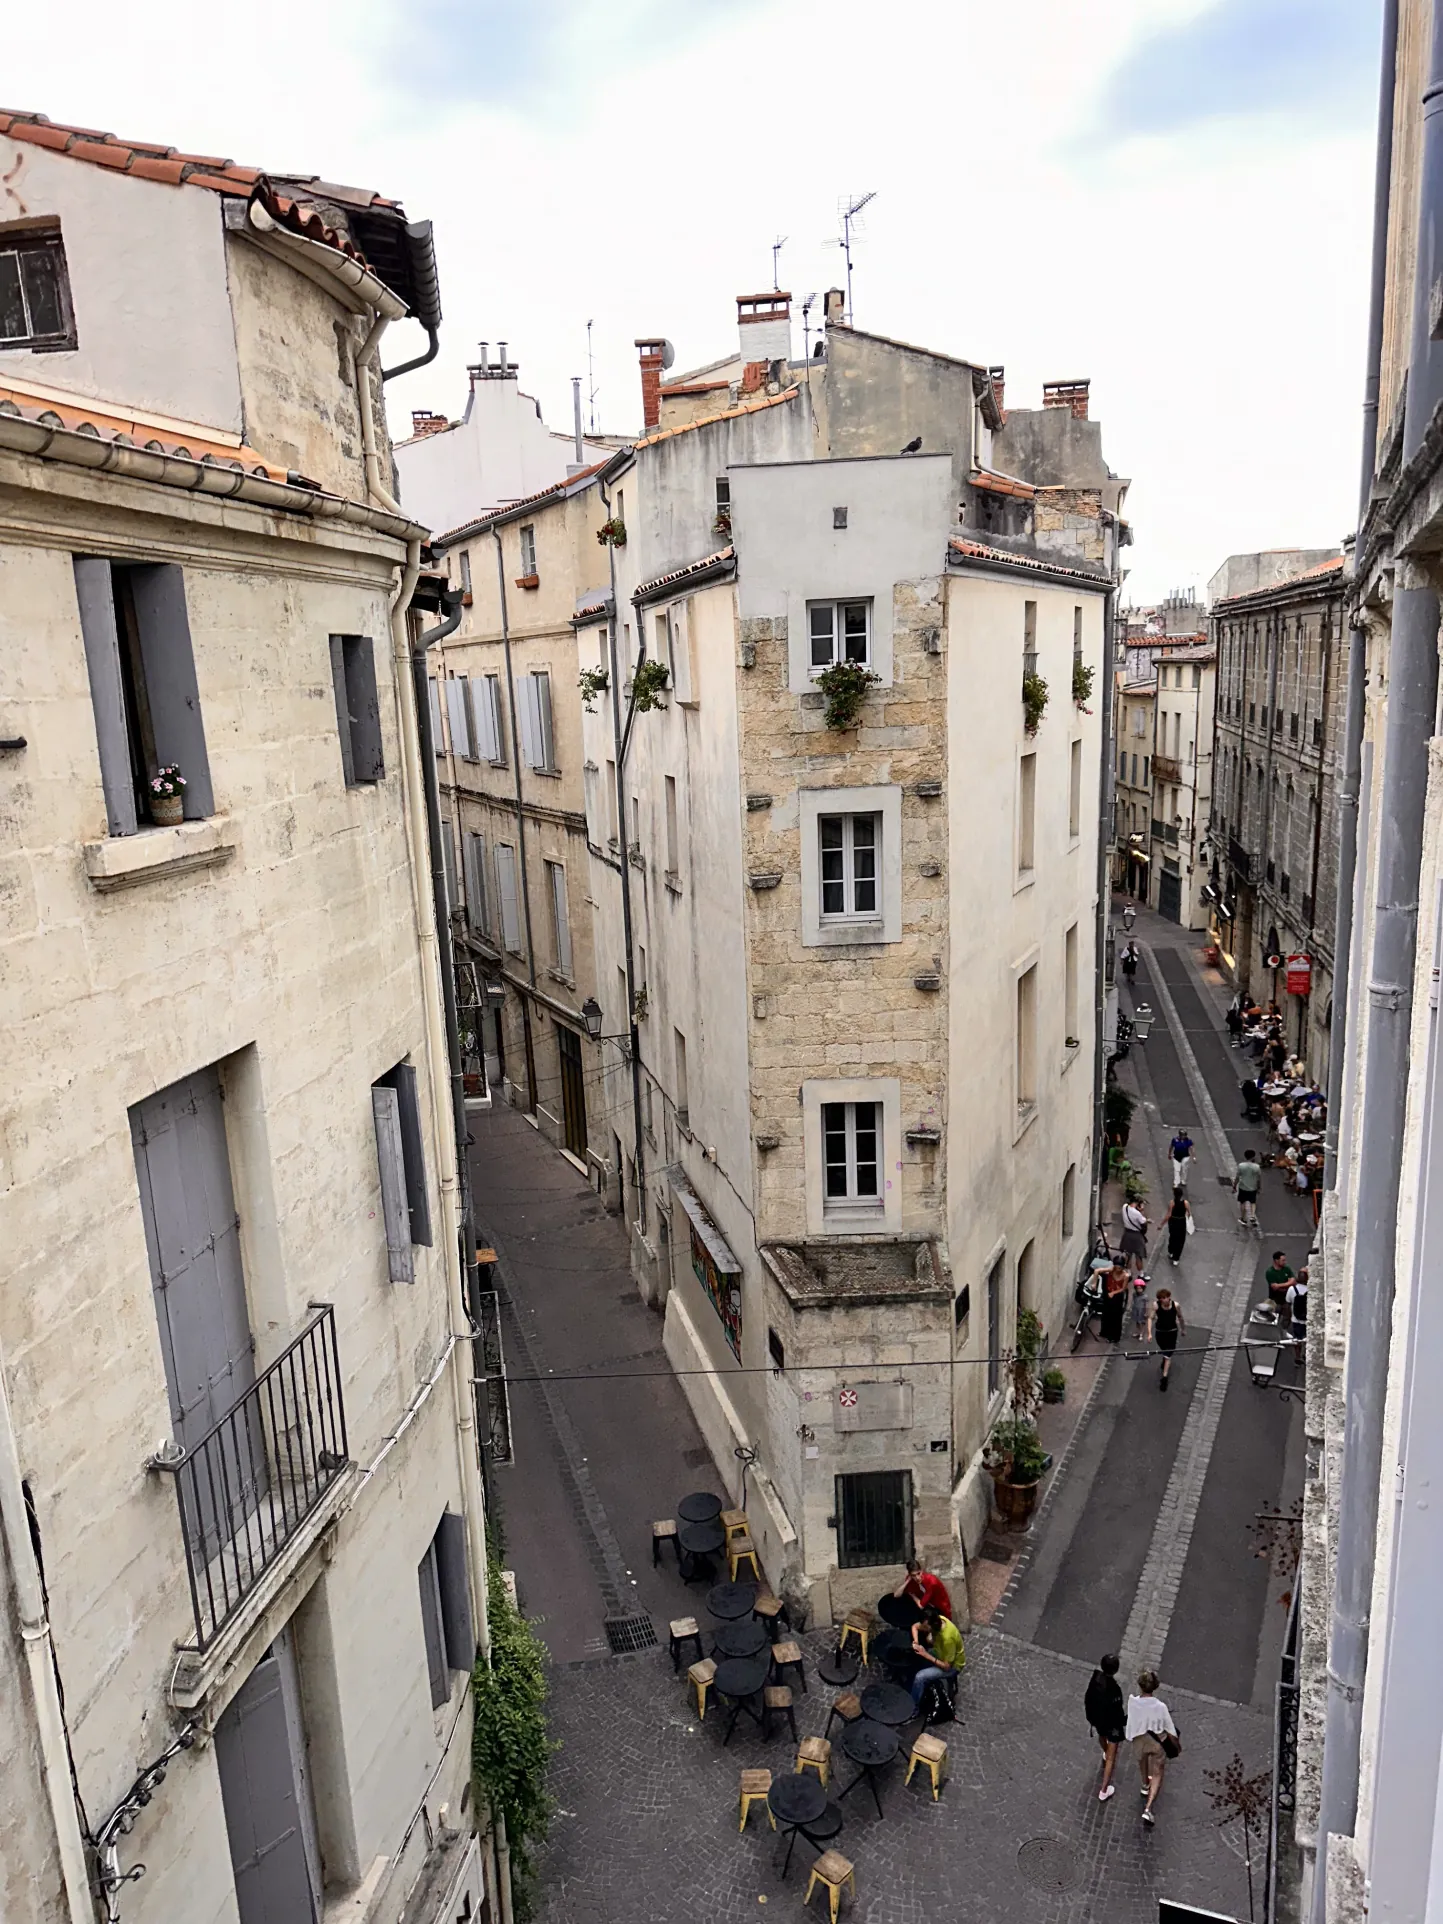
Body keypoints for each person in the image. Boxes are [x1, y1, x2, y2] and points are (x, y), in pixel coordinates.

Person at [1126, 1670, 1180, 1825]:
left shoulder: (1132, 1702)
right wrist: (1176, 1745)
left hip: (1139, 1740)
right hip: (1156, 1742)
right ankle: (1148, 1809)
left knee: (1142, 1762)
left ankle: (1144, 1784)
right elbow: (1171, 1730)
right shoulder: (1160, 1707)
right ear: (1155, 1686)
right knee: (1157, 1773)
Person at [1085, 1653, 1127, 1801]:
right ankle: (1104, 1790)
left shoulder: (1095, 1679)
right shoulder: (1114, 1689)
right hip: (1112, 1724)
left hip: (1098, 1720)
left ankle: (1105, 1752)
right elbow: (1117, 1710)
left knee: (1101, 1737)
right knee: (1111, 1757)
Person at [908, 1605, 965, 1713]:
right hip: (939, 1652)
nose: (923, 1629)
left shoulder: (947, 1639)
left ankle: (913, 1710)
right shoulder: (938, 1620)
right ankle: (921, 1689)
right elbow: (915, 1627)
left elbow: (947, 1667)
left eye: (925, 1627)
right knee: (919, 1661)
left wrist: (925, 1654)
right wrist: (916, 1642)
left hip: (953, 1666)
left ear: (932, 1625)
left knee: (920, 1676)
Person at [889, 1559, 954, 1624]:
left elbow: (921, 1606)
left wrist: (913, 1595)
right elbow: (896, 1595)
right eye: (913, 1575)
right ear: (910, 1575)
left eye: (918, 1573)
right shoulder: (911, 1580)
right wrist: (907, 1581)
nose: (917, 1577)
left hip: (940, 1609)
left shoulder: (931, 1581)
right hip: (928, 1608)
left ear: (921, 1571)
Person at [1150, 1286, 1184, 1389]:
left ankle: (1164, 1378)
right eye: (1162, 1298)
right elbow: (1150, 1318)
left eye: (1166, 1297)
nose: (1164, 1300)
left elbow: (1180, 1317)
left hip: (1172, 1332)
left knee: (1168, 1354)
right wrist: (1149, 1333)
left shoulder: (1175, 1305)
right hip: (1160, 1332)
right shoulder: (1156, 1306)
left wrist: (1183, 1329)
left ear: (1169, 1297)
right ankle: (1165, 1358)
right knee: (1164, 1350)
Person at [1100, 1263, 1129, 1344]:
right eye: (1117, 1267)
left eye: (1120, 1267)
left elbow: (1123, 1289)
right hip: (1108, 1294)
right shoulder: (1111, 1271)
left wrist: (1113, 1293)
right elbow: (1098, 1270)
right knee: (1106, 1314)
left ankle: (1114, 1337)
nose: (1118, 1269)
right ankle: (1104, 1332)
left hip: (1117, 1297)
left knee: (1115, 1317)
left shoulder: (1125, 1276)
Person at [1120, 1198, 1150, 1275]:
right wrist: (1142, 1211)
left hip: (1127, 1234)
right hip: (1137, 1236)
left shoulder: (1124, 1207)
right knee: (1138, 1256)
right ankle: (1141, 1274)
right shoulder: (1137, 1214)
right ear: (1137, 1203)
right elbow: (1143, 1222)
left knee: (1128, 1254)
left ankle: (1128, 1272)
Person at [1235, 1149, 1262, 1228]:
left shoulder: (1241, 1165)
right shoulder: (1257, 1167)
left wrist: (1234, 1186)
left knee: (1242, 1202)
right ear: (1253, 1157)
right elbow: (1259, 1178)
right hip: (1253, 1187)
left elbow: (1237, 1177)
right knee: (1252, 1202)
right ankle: (1252, 1215)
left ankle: (1243, 1218)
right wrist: (1259, 1187)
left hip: (1243, 1187)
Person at [1164, 1190, 1192, 1265]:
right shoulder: (1185, 1203)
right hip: (1181, 1222)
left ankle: (1171, 1251)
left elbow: (1168, 1214)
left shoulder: (1172, 1202)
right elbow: (1189, 1213)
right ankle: (1176, 1258)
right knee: (1180, 1240)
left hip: (1173, 1221)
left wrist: (1161, 1224)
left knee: (1173, 1237)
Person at [1286, 1270, 1309, 1347]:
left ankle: (1297, 1355)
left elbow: (1288, 1303)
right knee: (1307, 1338)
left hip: (1295, 1319)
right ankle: (1304, 1354)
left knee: (1297, 1339)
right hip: (1307, 1320)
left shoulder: (1292, 1289)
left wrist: (1288, 1317)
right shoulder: (1309, 1290)